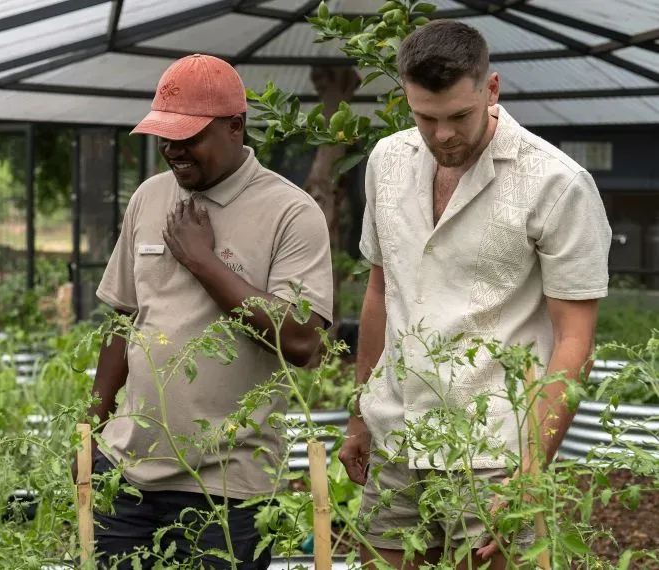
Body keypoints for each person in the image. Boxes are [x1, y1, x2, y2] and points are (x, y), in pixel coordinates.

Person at [338, 20, 612, 569]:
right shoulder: (387, 161)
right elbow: (380, 292)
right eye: (425, 117)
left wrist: (531, 468)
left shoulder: (555, 182)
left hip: (494, 451)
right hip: (397, 434)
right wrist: (361, 412)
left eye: (459, 116)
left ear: (491, 89)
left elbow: (575, 340)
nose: (442, 135)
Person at [85, 54, 335, 569]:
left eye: (189, 137)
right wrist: (91, 435)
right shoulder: (149, 197)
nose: (173, 150)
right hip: (127, 473)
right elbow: (122, 320)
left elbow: (303, 341)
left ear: (235, 126)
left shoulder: (291, 212)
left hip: (227, 488)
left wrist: (204, 262)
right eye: (164, 137)